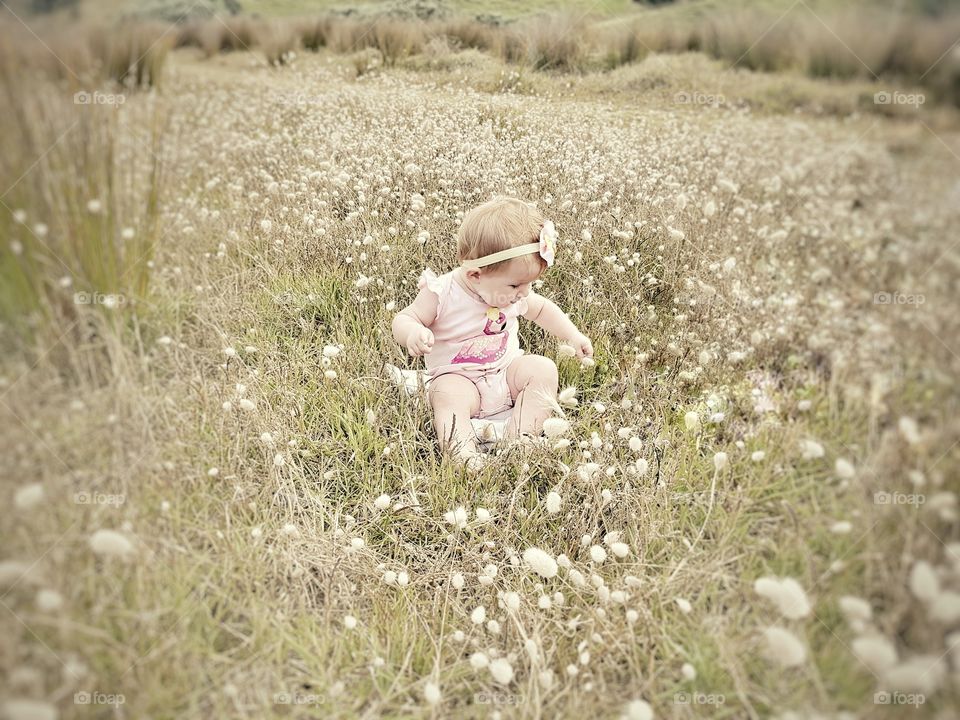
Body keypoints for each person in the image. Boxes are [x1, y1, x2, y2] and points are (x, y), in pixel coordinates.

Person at [392, 196, 593, 470]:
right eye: (515, 285)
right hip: (462, 381)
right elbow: (405, 317)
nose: (523, 293)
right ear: (475, 275)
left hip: (505, 373)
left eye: (529, 285)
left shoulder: (511, 293)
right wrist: (413, 331)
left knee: (543, 369)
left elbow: (542, 310)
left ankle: (521, 440)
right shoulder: (442, 292)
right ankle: (463, 455)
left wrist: (573, 335)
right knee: (447, 394)